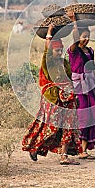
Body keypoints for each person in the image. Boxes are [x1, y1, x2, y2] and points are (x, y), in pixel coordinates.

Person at [22, 24, 81, 165]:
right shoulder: (48, 62)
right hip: (53, 98)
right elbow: (46, 50)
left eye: (61, 50)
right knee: (51, 126)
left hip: (68, 98)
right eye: (56, 50)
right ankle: (34, 146)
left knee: (68, 126)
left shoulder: (64, 63)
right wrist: (49, 32)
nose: (59, 53)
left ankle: (64, 156)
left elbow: (70, 77)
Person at [66, 10, 95, 160]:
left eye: (88, 36)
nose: (86, 39)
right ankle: (76, 148)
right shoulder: (73, 51)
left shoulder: (90, 52)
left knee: (91, 117)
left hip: (90, 87)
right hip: (78, 88)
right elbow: (74, 39)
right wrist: (74, 21)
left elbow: (92, 74)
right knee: (81, 117)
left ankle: (84, 150)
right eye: (83, 37)